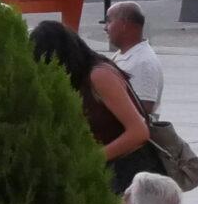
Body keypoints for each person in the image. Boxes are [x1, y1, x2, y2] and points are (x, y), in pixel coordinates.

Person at [30, 22, 154, 192]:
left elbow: (139, 132)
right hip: (104, 169)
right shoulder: (78, 77)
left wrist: (92, 159)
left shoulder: (99, 75)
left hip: (128, 172)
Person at [104, 1, 164, 117]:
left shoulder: (142, 62)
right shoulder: (124, 54)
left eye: (109, 21)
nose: (105, 28)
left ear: (124, 24)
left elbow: (143, 109)